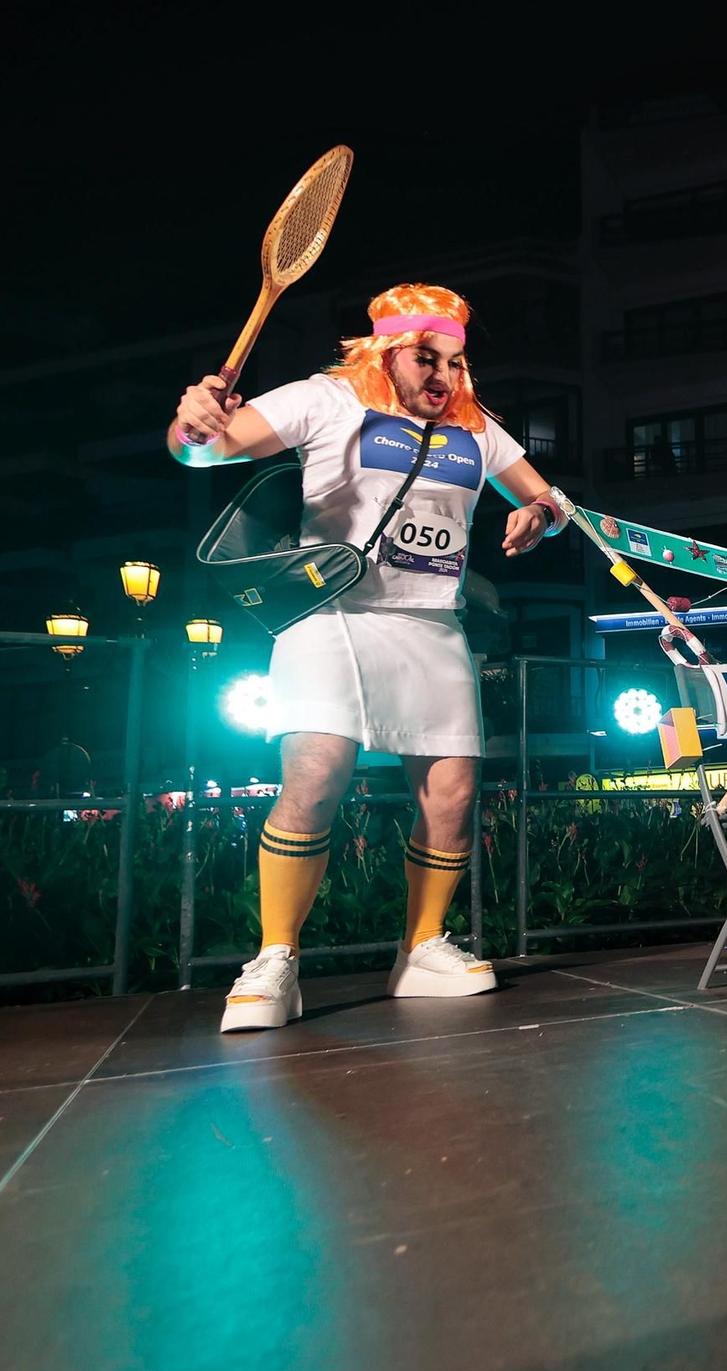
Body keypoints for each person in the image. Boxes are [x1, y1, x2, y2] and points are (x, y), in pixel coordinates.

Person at [169, 283, 569, 1032]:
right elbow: (202, 451)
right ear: (387, 350)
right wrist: (194, 423)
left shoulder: (476, 428)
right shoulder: (324, 399)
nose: (443, 376)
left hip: (432, 624)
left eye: (455, 360)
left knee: (451, 793)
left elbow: (550, 497)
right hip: (333, 614)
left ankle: (422, 949)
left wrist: (537, 514)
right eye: (427, 358)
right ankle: (275, 959)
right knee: (316, 772)